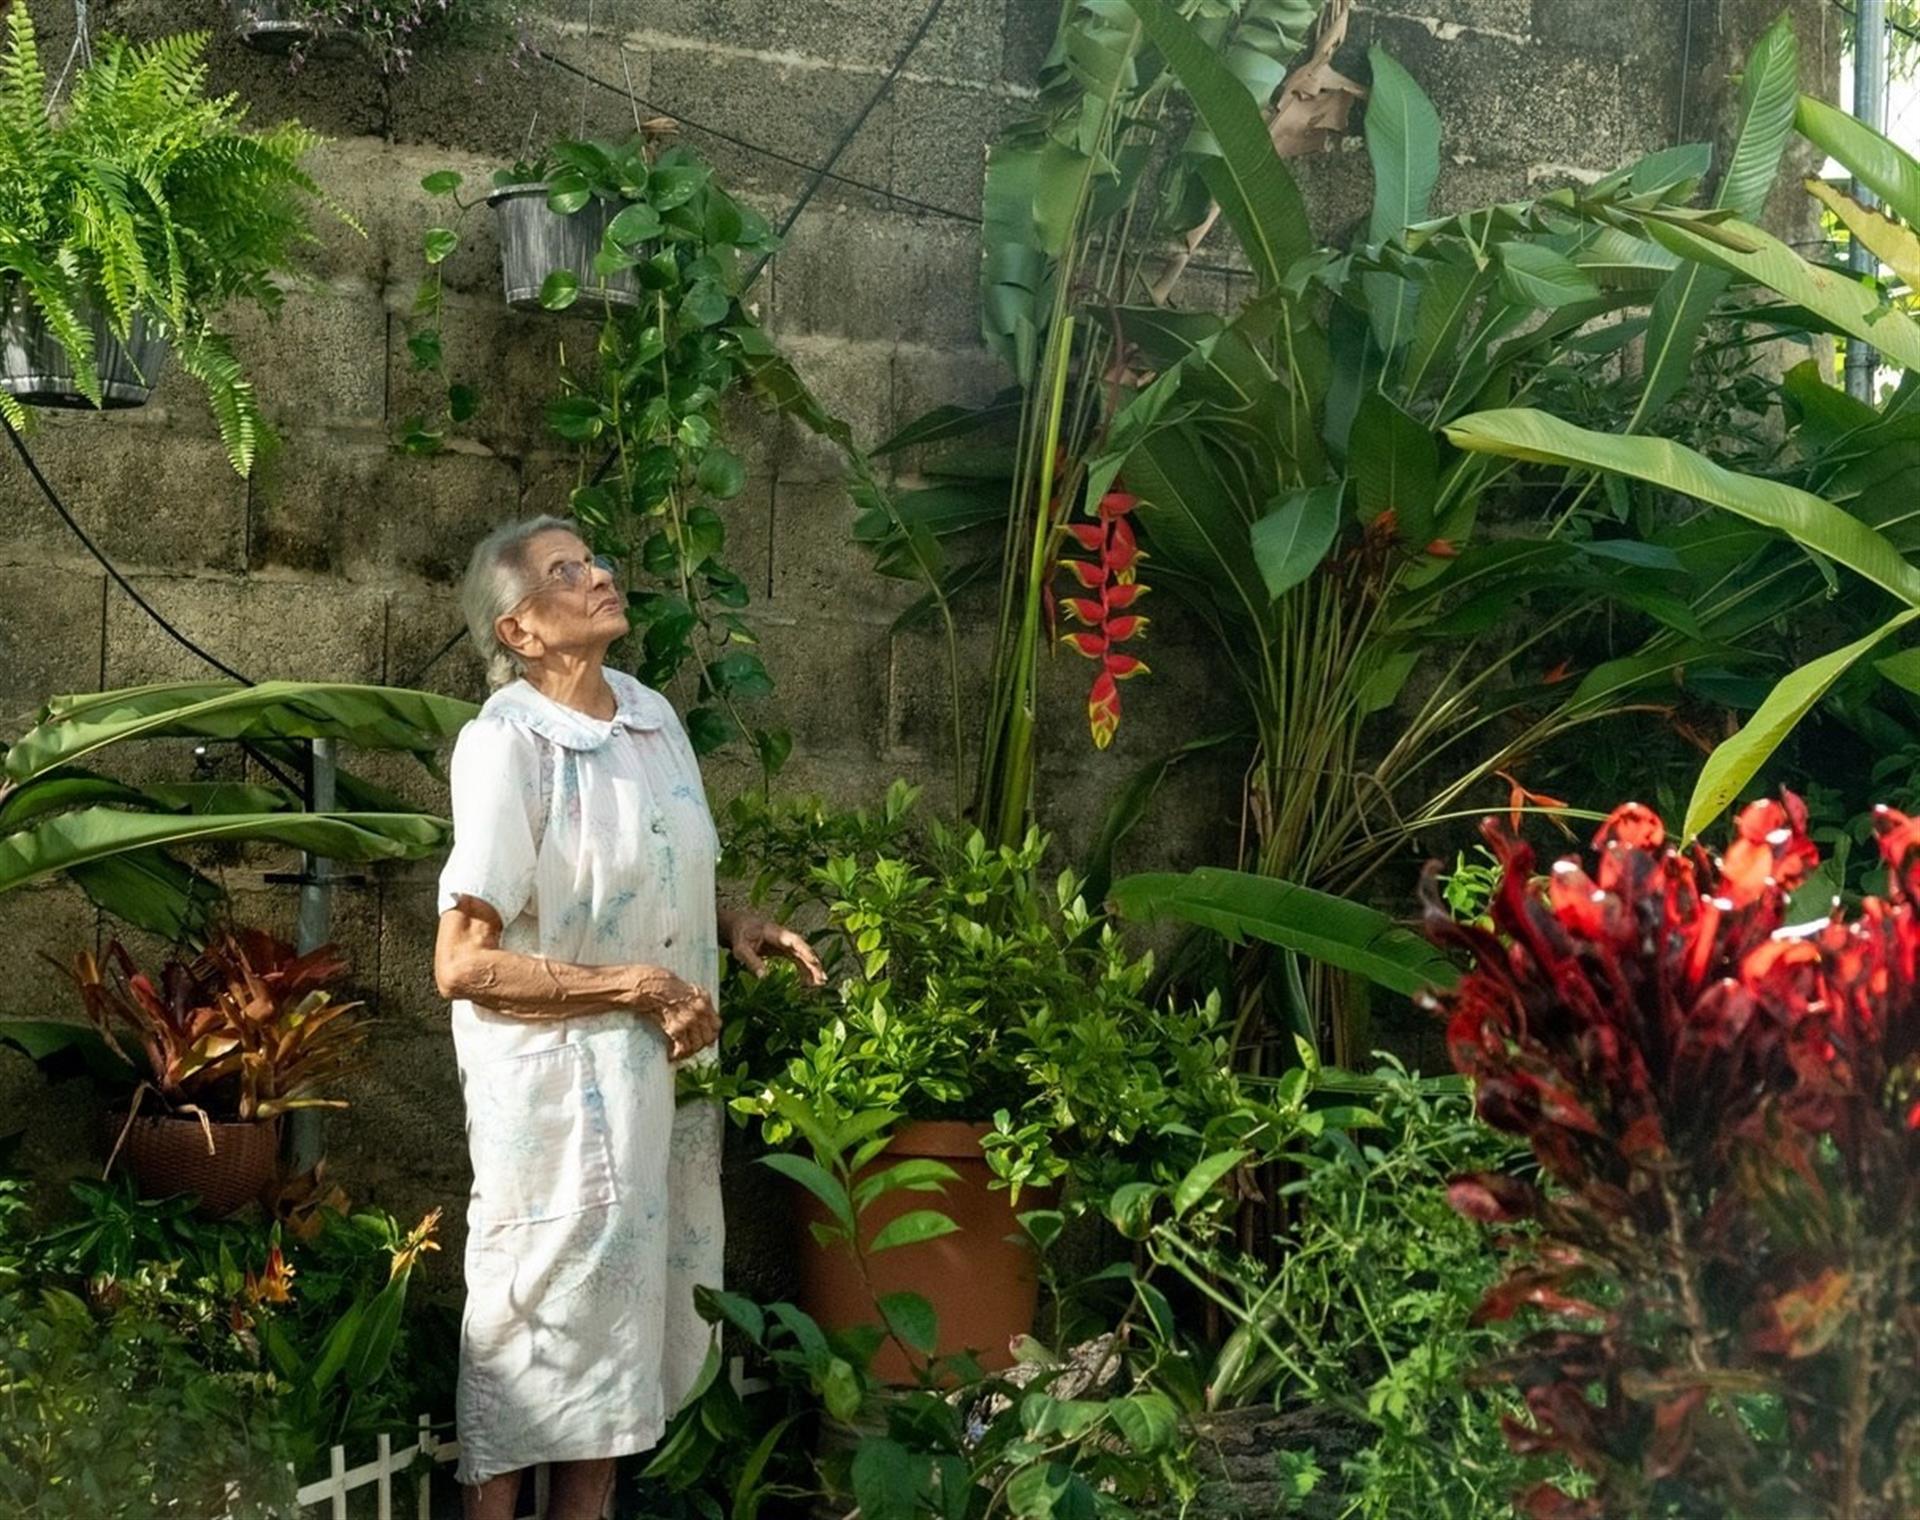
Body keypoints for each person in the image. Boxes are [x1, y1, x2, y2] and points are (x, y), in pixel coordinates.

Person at [431, 515, 824, 1520]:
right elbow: (460, 961)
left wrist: (730, 922)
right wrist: (634, 984)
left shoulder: (652, 718)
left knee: (613, 1377)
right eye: (566, 572)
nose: (599, 574)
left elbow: (646, 866)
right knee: (533, 1355)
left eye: (593, 560)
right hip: (556, 1117)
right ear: (519, 630)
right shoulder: (504, 746)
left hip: (657, 1103)